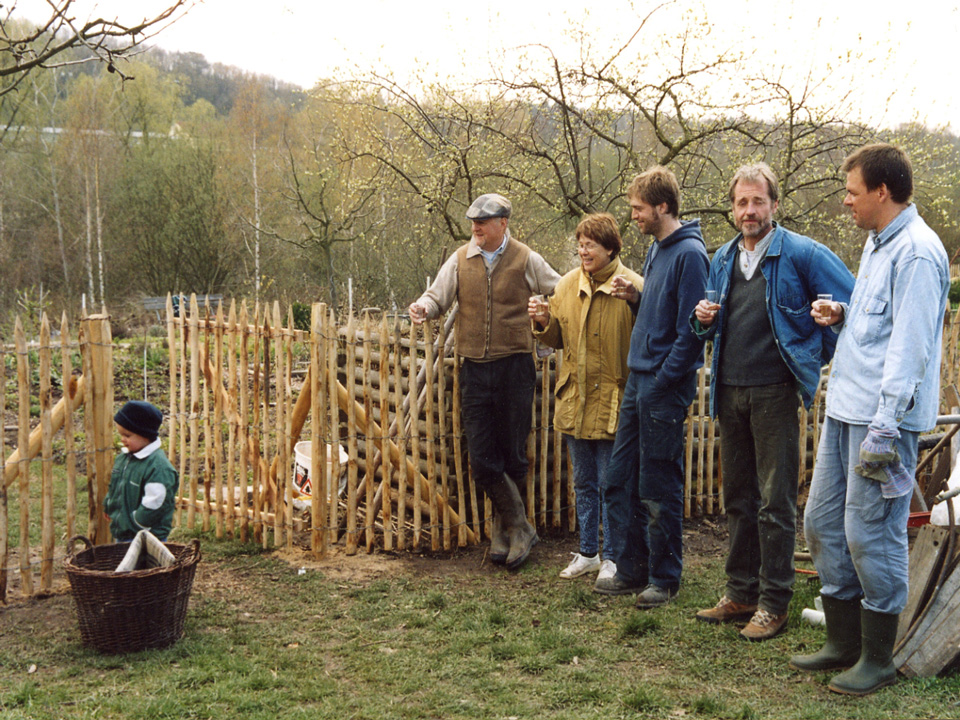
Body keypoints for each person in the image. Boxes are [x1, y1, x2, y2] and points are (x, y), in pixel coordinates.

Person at [791, 144, 950, 695]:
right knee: (822, 522)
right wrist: (843, 312)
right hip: (846, 409)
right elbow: (878, 320)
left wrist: (885, 426)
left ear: (882, 191)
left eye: (853, 192)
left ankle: (878, 658)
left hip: (883, 422)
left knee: (872, 533)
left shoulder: (919, 254)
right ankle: (843, 642)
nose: (846, 201)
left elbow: (909, 351)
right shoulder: (878, 243)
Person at [690, 163, 855, 641]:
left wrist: (814, 353)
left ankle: (774, 602)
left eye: (758, 201)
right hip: (729, 388)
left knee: (774, 501)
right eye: (741, 202)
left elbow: (852, 304)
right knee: (738, 497)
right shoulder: (722, 258)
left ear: (774, 205)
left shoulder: (803, 253)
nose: (749, 210)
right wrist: (702, 320)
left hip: (775, 392)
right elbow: (709, 326)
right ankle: (740, 592)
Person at [409, 193, 561, 570]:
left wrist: (545, 315)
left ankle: (503, 531)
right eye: (473, 222)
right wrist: (423, 307)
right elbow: (437, 296)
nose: (475, 227)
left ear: (503, 223)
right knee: (480, 458)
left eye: (483, 221)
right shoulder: (461, 259)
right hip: (474, 368)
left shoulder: (527, 259)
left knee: (512, 452)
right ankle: (521, 527)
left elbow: (562, 290)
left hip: (514, 366)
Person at [593, 166, 709, 607]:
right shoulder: (658, 250)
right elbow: (664, 311)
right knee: (620, 479)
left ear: (663, 207)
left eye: (639, 209)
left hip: (662, 384)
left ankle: (664, 577)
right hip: (639, 379)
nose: (634, 217)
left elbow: (693, 329)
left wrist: (664, 380)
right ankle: (631, 567)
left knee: (659, 484)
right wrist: (638, 298)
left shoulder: (691, 255)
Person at [528, 213, 644, 581]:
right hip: (575, 400)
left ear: (611, 247)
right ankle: (588, 553)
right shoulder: (565, 286)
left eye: (590, 244)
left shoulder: (635, 285)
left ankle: (613, 558)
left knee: (613, 484)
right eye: (580, 244)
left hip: (614, 402)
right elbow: (557, 339)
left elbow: (649, 338)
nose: (583, 251)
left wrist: (637, 303)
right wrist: (544, 323)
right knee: (583, 483)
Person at [104, 400, 179, 542]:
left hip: (147, 536)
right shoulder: (124, 458)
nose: (122, 439)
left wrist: (137, 522)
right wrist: (109, 505)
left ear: (145, 435)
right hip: (125, 532)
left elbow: (155, 502)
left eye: (127, 435)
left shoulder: (158, 468)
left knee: (146, 564)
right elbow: (115, 485)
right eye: (121, 434)